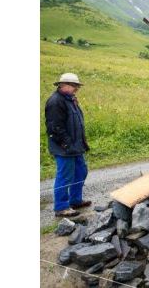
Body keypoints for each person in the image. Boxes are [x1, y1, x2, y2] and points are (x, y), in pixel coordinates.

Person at [45, 73, 91, 217]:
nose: (76, 89)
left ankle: (75, 200)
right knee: (65, 176)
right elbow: (55, 127)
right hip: (64, 147)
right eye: (74, 86)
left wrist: (81, 142)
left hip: (76, 145)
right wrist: (66, 144)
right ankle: (61, 207)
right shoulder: (55, 102)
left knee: (81, 171)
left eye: (77, 86)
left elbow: (77, 123)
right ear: (63, 85)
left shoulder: (70, 99)